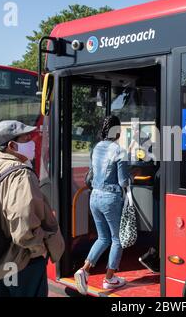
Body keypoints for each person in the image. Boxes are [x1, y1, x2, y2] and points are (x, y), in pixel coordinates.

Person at [0, 120, 65, 297]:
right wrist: (40, 250)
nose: (33, 142)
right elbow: (23, 225)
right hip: (18, 265)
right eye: (27, 138)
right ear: (12, 145)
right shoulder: (20, 175)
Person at [74, 115, 129, 295]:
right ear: (117, 131)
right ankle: (110, 278)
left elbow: (92, 174)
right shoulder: (119, 151)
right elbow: (123, 182)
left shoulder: (97, 147)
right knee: (117, 239)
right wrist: (132, 176)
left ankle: (84, 270)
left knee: (102, 238)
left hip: (94, 197)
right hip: (110, 199)